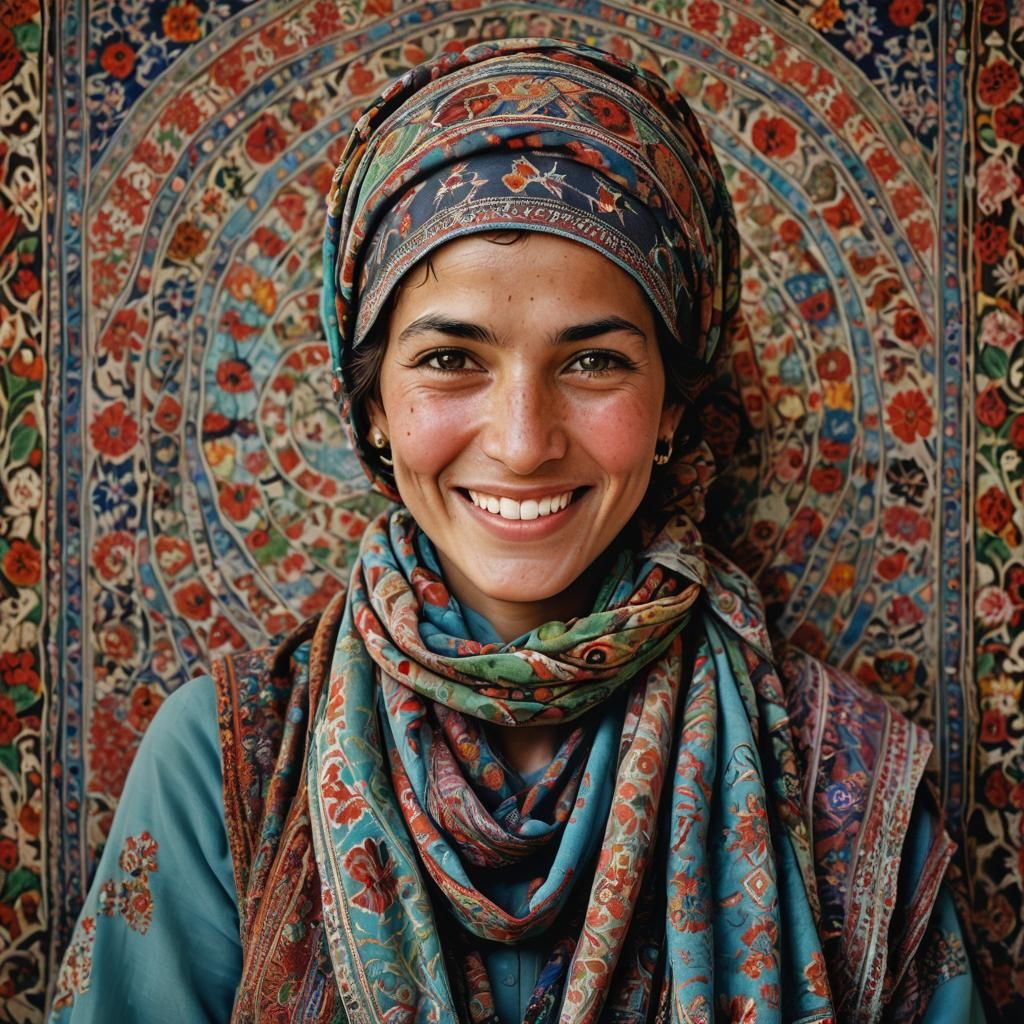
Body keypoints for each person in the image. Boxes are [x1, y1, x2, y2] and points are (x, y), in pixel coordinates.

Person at [50, 38, 984, 1024]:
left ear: (672, 407)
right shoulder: (223, 761)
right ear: (370, 407)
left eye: (593, 365)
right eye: (452, 359)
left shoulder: (842, 776)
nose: (524, 441)